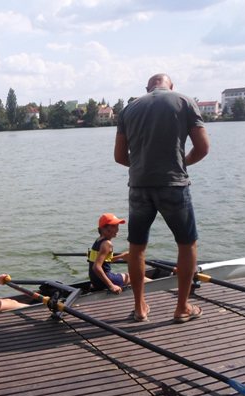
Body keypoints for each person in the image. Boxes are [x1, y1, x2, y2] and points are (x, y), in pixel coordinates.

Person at [114, 73, 210, 323]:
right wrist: (181, 163)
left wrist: (142, 166)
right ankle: (182, 307)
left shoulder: (129, 109)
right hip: (173, 185)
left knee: (136, 248)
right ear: (171, 86)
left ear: (147, 88)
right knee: (186, 244)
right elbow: (203, 148)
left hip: (139, 186)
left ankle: (140, 308)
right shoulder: (184, 102)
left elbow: (120, 156)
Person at [89, 213, 130, 294]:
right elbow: (96, 267)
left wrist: (121, 256)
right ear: (104, 229)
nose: (117, 229)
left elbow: (104, 261)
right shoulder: (107, 244)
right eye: (114, 226)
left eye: (117, 226)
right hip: (104, 281)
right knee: (135, 276)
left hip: (95, 281)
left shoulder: (98, 240)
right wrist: (112, 286)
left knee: (128, 275)